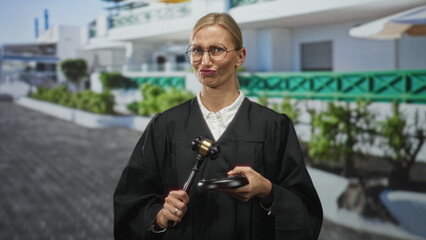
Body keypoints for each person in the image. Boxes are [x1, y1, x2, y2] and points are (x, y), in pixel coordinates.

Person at [113, 12, 323, 240]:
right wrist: (160, 216)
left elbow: (306, 212)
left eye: (217, 50)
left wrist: (267, 190)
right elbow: (131, 202)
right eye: (197, 50)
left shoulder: (272, 127)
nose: (205, 61)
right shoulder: (166, 126)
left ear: (240, 57)